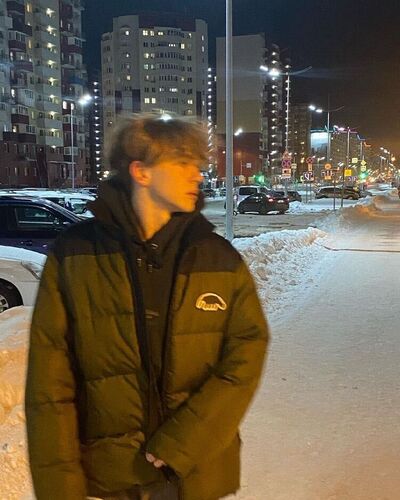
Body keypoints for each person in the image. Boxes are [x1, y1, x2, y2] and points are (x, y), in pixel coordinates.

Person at [25, 114, 269, 500]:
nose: (198, 175)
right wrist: (59, 490)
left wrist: (185, 442)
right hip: (113, 478)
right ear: (141, 172)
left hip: (195, 473)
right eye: (183, 163)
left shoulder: (218, 258)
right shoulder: (74, 256)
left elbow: (246, 357)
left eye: (198, 164)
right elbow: (49, 388)